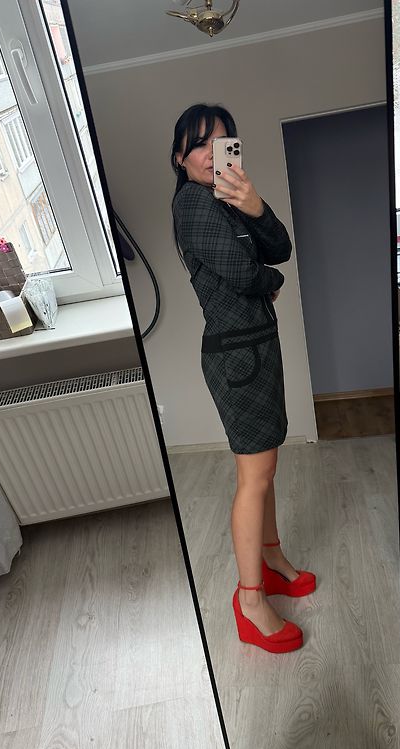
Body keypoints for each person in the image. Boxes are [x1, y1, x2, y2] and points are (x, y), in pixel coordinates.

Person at [171, 104, 316, 654]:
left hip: (255, 347)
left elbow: (280, 246)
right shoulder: (192, 203)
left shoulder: (227, 199)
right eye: (199, 144)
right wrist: (270, 279)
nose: (211, 154)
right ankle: (250, 601)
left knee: (266, 467)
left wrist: (254, 205)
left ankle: (271, 558)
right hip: (237, 357)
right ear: (179, 158)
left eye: (221, 142)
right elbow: (239, 270)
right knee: (253, 476)